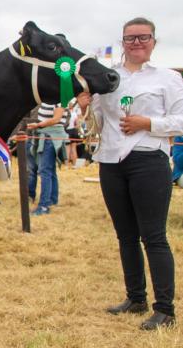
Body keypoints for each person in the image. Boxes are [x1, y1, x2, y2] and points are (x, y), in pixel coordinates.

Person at [83, 17, 183, 330]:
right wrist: (87, 104)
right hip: (111, 162)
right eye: (130, 38)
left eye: (143, 37)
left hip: (148, 160)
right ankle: (135, 298)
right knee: (125, 236)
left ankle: (165, 309)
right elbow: (97, 122)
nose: (136, 43)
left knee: (153, 237)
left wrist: (149, 124)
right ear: (123, 41)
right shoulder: (109, 77)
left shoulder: (168, 78)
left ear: (154, 41)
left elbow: (181, 120)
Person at [26, 102, 68, 215]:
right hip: (47, 135)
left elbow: (56, 119)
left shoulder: (60, 99)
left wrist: (38, 125)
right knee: (50, 170)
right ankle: (52, 200)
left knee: (44, 171)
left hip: (50, 137)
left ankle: (44, 206)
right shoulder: (50, 99)